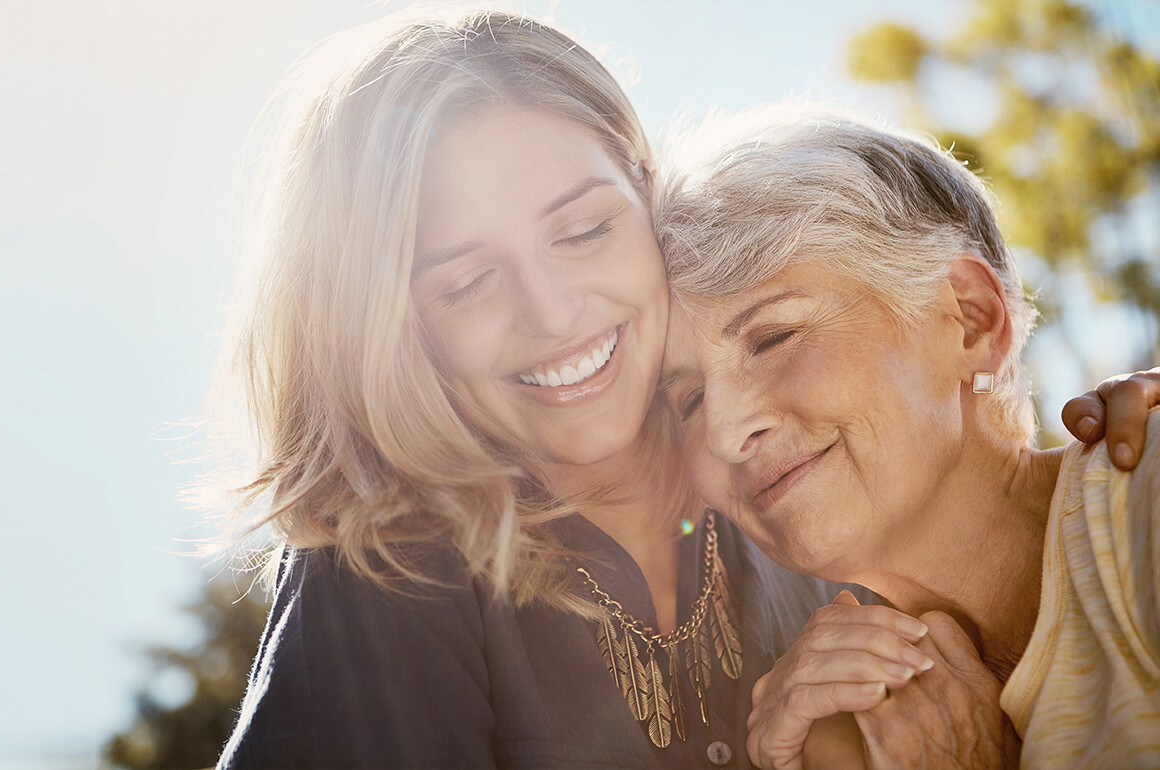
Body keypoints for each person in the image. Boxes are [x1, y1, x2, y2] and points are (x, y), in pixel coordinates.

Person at [205, 8, 1159, 768]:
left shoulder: (837, 546)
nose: (552, 313)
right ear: (396, 330)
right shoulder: (392, 573)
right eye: (464, 282)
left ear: (640, 195)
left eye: (582, 231)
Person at [657, 107, 1160, 769]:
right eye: (688, 401)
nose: (725, 432)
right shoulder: (842, 730)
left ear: (969, 318)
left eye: (774, 337)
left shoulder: (1142, 502)